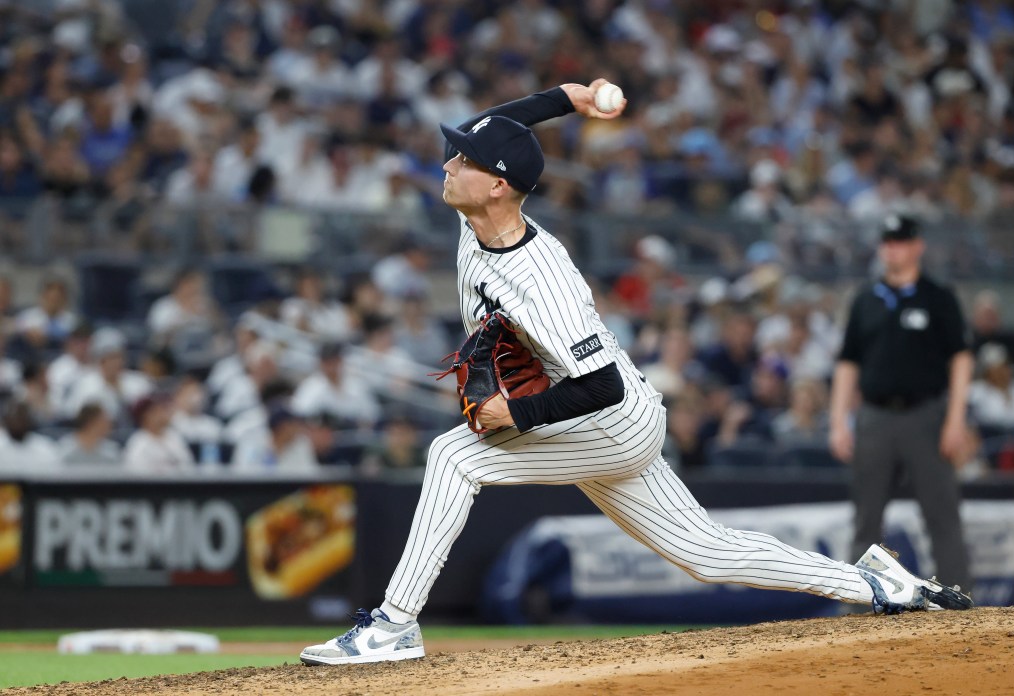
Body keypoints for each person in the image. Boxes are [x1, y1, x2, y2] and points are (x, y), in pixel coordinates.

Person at [300, 80, 971, 667]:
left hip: (611, 419)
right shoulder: (475, 214)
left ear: (498, 184)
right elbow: (500, 124)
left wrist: (517, 415)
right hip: (606, 417)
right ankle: (880, 585)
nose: (447, 165)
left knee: (453, 455)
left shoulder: (541, 279)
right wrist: (569, 99)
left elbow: (603, 386)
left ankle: (393, 625)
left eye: (462, 160)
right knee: (706, 552)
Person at [829, 214, 973, 596]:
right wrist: (838, 422)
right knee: (866, 517)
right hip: (874, 416)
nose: (893, 248)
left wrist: (956, 418)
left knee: (942, 515)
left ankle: (957, 600)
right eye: (888, 242)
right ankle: (859, 601)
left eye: (901, 241)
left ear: (917, 246)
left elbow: (960, 358)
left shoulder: (938, 298)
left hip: (926, 415)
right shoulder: (865, 300)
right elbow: (847, 363)